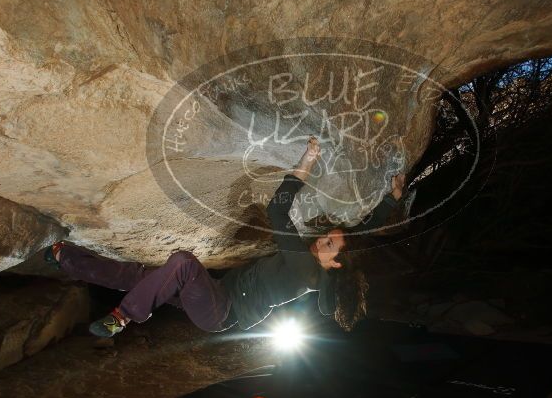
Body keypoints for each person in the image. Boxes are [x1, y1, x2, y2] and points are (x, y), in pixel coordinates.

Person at [45, 137, 406, 337]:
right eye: (326, 236)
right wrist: (392, 201)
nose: (320, 240)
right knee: (141, 276)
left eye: (327, 244)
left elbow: (278, 212)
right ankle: (65, 257)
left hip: (221, 313)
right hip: (217, 293)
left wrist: (308, 161)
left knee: (184, 263)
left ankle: (124, 316)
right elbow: (357, 234)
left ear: (333, 263)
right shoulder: (326, 264)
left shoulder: (304, 269)